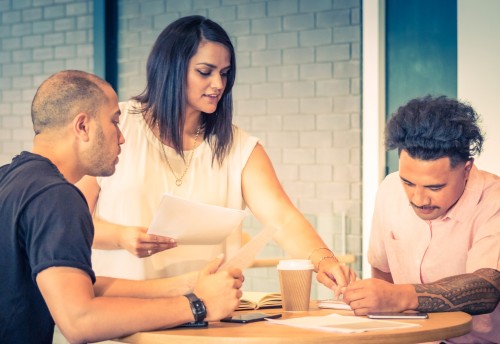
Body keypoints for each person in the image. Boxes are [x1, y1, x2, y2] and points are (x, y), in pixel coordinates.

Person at [76, 15, 356, 292]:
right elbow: (73, 221)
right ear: (171, 68)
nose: (218, 84)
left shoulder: (238, 147)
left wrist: (325, 262)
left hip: (206, 317)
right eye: (205, 71)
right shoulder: (118, 124)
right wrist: (121, 236)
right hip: (123, 318)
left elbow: (283, 219)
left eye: (224, 73)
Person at [0, 70, 243, 344]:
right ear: (83, 127)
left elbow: (79, 287)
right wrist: (198, 306)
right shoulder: (57, 197)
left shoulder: (9, 178)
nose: (122, 137)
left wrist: (187, 284)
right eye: (115, 121)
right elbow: (80, 320)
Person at [343, 96, 500, 343]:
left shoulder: (494, 200)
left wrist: (400, 297)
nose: (418, 199)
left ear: (466, 170)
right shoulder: (390, 189)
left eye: (435, 187)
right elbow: (383, 272)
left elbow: (487, 287)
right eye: (408, 182)